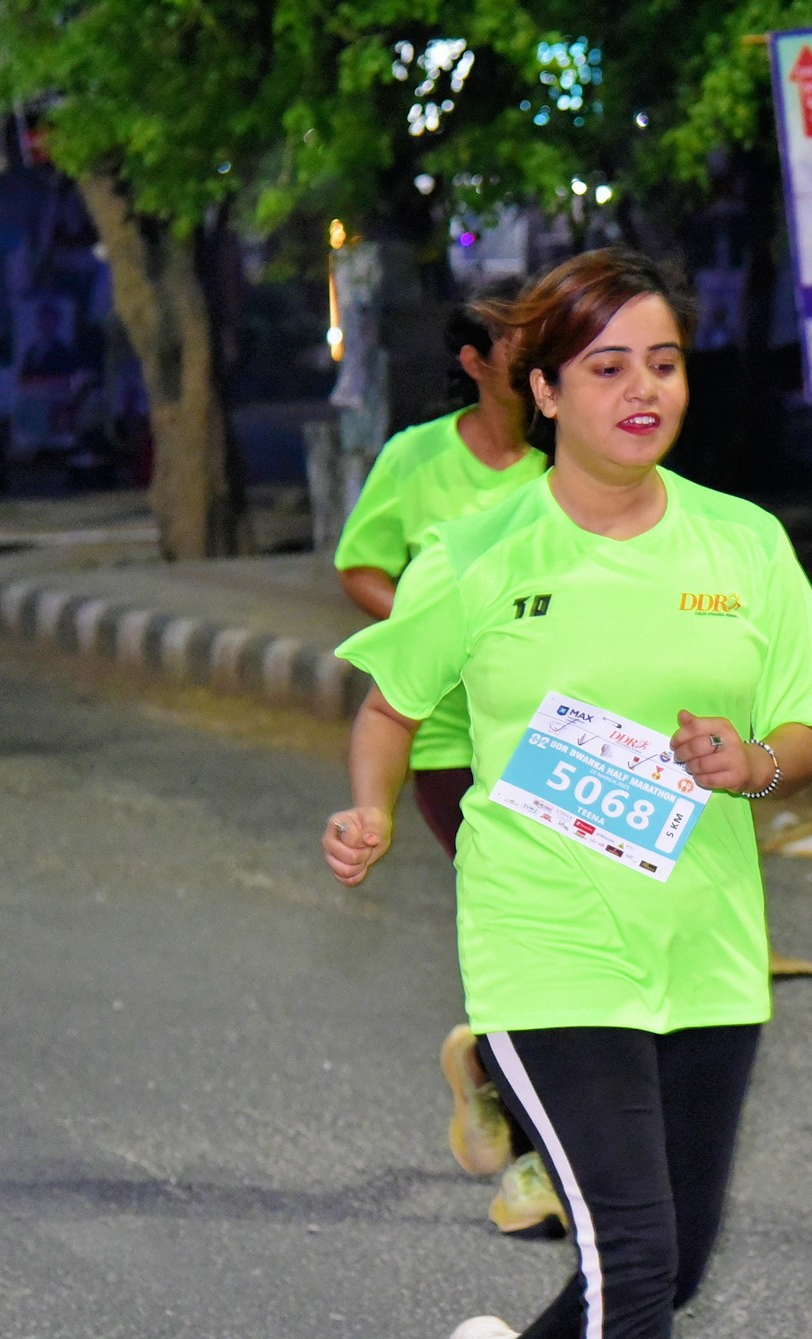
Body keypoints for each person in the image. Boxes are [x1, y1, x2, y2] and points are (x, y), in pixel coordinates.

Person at [323, 248, 812, 1339]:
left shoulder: (744, 542)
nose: (640, 389)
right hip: (544, 942)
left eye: (661, 362)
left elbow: (805, 729)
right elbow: (391, 705)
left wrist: (753, 762)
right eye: (607, 366)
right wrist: (371, 811)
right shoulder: (476, 550)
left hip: (705, 947)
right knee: (633, 1248)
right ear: (545, 390)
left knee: (670, 1268)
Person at [333, 289, 558, 1235]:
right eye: (516, 344)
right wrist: (440, 632)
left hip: (546, 735)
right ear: (474, 362)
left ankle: (494, 1077)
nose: (535, 359)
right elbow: (360, 567)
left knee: (560, 930)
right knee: (527, 928)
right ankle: (536, 1161)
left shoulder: (567, 467)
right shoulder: (415, 458)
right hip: (448, 740)